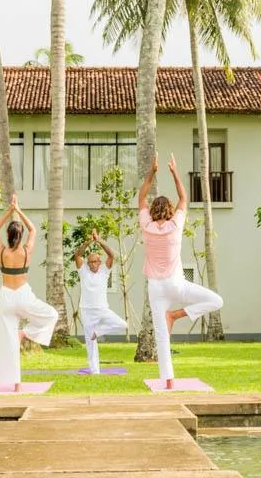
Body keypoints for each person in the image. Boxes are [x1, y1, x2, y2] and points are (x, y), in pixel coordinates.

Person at [139, 153, 223, 387]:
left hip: (156, 288)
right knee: (216, 301)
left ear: (153, 211)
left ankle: (168, 381)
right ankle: (176, 315)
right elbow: (184, 197)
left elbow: (141, 197)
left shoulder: (146, 226)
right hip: (176, 285)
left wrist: (152, 172)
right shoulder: (176, 225)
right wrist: (174, 172)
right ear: (169, 210)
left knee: (161, 335)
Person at [0, 194, 58, 388]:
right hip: (23, 295)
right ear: (20, 237)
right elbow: (33, 229)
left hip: (6, 297)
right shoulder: (26, 251)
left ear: (8, 236)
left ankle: (16, 384)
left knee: (8, 343)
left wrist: (9, 211)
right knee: (51, 315)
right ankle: (25, 333)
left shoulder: (2, 252)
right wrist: (18, 210)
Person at [73, 231, 127, 374]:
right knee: (90, 343)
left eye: (95, 261)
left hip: (103, 309)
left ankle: (99, 332)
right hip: (87, 310)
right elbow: (77, 256)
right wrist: (88, 242)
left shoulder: (104, 271)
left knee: (123, 324)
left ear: (99, 262)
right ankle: (94, 371)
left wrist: (99, 241)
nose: (93, 264)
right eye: (90, 261)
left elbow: (111, 255)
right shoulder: (83, 271)